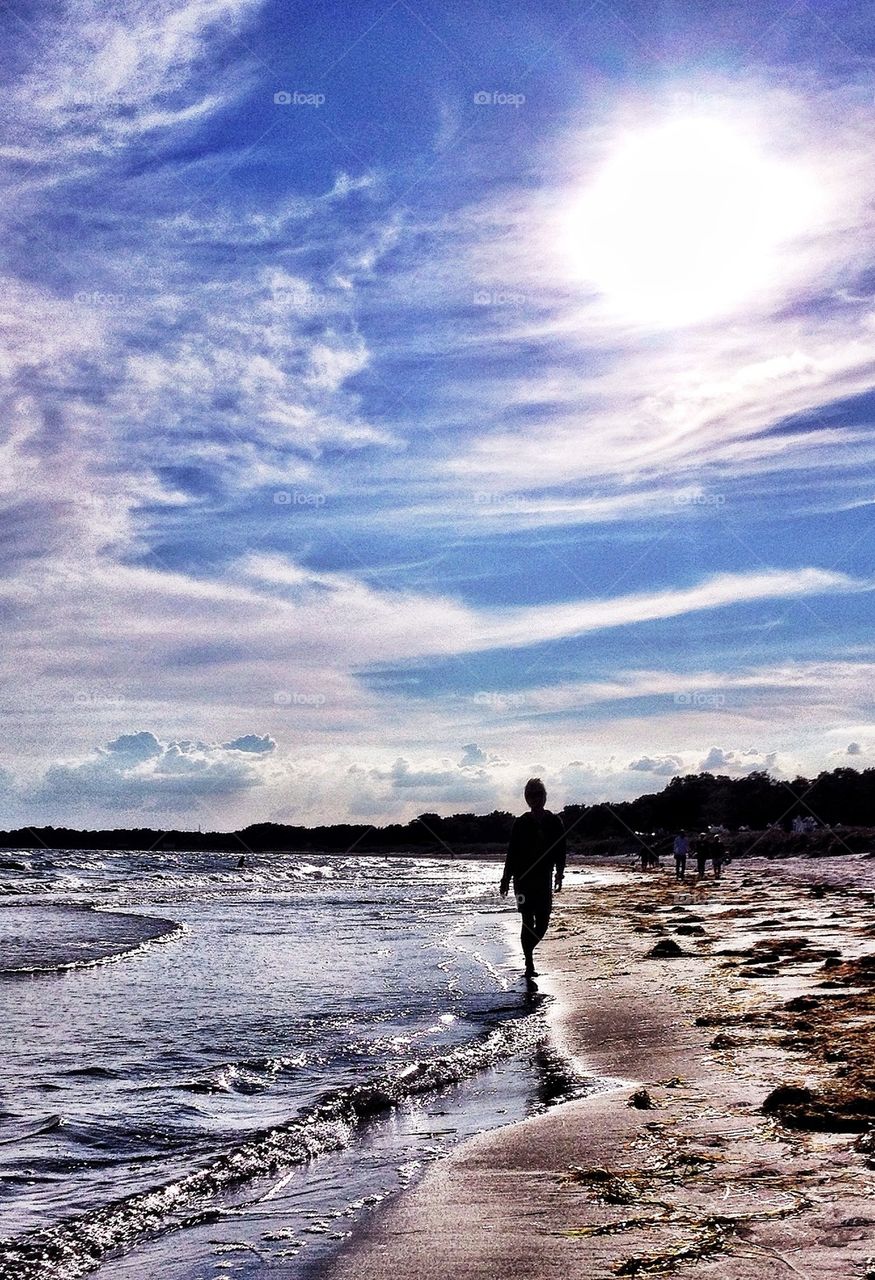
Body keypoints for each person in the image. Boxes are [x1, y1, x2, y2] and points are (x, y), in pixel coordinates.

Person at [500, 778, 566, 979]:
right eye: (532, 795)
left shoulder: (555, 821)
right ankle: (529, 962)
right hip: (522, 880)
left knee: (543, 922)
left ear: (545, 796)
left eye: (539, 794)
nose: (536, 798)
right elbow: (512, 853)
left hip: (543, 879)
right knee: (527, 920)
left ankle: (528, 950)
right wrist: (505, 879)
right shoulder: (520, 823)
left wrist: (559, 874)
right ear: (527, 798)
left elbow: (560, 850)